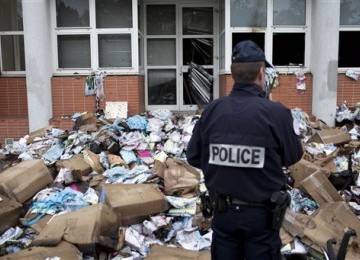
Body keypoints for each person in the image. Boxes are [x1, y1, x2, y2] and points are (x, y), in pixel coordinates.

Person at [186, 40, 303, 259]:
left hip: (224, 215)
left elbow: (193, 156)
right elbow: (293, 156)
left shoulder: (212, 111)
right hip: (262, 218)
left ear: (233, 76)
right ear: (261, 73)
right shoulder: (276, 113)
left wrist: (222, 165)